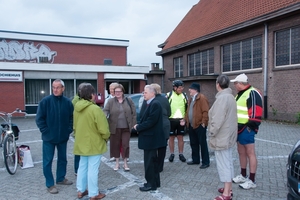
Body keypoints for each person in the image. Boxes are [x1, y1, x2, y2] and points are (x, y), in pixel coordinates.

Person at [35, 79, 74, 194]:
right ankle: (50, 184)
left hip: (63, 137)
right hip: (48, 138)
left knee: (62, 159)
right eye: (53, 87)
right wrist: (45, 131)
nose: (55, 89)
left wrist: (68, 130)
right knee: (47, 161)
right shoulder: (45, 101)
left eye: (58, 87)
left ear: (63, 88)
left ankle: (61, 178)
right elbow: (39, 119)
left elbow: (72, 118)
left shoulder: (67, 102)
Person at [73, 84, 110, 200]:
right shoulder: (95, 109)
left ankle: (81, 190)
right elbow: (103, 129)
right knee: (93, 169)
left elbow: (74, 127)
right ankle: (93, 193)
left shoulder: (77, 108)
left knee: (82, 167)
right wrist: (106, 137)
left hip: (81, 142)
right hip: (94, 143)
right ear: (92, 95)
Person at [230, 73, 263, 190]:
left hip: (247, 128)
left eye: (235, 83)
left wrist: (250, 127)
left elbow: (255, 113)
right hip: (239, 127)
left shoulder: (252, 93)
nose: (234, 85)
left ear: (241, 83)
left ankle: (252, 180)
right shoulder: (239, 94)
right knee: (241, 152)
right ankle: (243, 175)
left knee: (250, 153)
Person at [208, 75, 237, 200]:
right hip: (229, 135)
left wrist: (212, 131)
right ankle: (228, 188)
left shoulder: (222, 99)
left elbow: (218, 119)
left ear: (218, 84)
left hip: (222, 136)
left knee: (224, 164)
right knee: (228, 162)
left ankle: (226, 194)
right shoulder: (231, 97)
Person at [133, 85, 166, 191]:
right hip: (149, 138)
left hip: (151, 139)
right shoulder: (150, 103)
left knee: (150, 163)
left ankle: (151, 184)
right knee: (151, 162)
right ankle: (154, 182)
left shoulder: (155, 104)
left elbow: (151, 121)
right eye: (143, 92)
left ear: (153, 93)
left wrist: (138, 127)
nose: (143, 94)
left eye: (145, 92)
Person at [103, 84, 136, 171]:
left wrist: (133, 124)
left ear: (122, 92)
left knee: (125, 145)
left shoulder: (129, 100)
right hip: (115, 127)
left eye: (119, 91)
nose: (117, 93)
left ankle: (125, 163)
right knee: (115, 145)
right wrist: (105, 116)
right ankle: (117, 163)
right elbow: (105, 110)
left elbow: (134, 113)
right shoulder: (111, 101)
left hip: (126, 128)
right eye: (115, 91)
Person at [140, 83, 171, 172]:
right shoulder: (165, 99)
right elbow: (169, 112)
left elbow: (143, 113)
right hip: (165, 125)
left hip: (154, 127)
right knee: (162, 146)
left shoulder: (150, 101)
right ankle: (160, 166)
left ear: (152, 91)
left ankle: (152, 165)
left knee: (152, 148)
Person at [182, 82, 210, 169]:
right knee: (193, 143)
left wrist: (204, 123)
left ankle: (205, 162)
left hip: (199, 125)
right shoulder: (191, 99)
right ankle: (195, 159)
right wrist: (185, 120)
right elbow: (188, 112)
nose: (189, 90)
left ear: (195, 90)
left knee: (202, 144)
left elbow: (206, 111)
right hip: (191, 125)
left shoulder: (202, 98)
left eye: (191, 88)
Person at [72, 82, 91, 176]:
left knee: (81, 150)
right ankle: (78, 169)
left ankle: (79, 169)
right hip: (82, 128)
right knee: (81, 152)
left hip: (80, 129)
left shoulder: (76, 100)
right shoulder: (76, 101)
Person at [167, 80, 188, 163]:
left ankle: (181, 154)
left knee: (180, 137)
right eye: (179, 87)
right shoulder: (169, 95)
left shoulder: (184, 95)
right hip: (171, 119)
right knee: (171, 137)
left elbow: (187, 107)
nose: (181, 89)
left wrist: (185, 118)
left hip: (181, 120)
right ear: (174, 87)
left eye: (182, 87)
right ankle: (172, 154)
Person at [104, 82, 120, 162]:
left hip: (120, 121)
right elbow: (105, 110)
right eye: (110, 89)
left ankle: (124, 155)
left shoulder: (120, 98)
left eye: (113, 89)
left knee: (121, 140)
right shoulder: (107, 99)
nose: (111, 91)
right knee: (113, 140)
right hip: (111, 121)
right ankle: (113, 155)